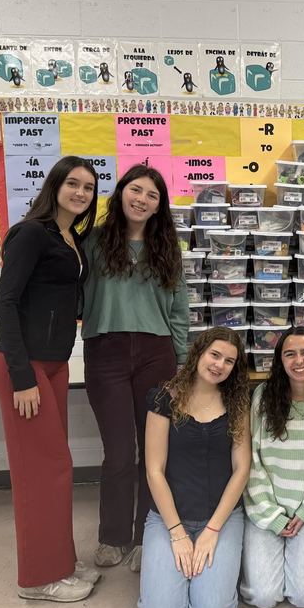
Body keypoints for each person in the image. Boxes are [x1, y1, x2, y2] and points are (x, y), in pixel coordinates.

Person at [0, 155, 100, 602]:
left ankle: (63, 564)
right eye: (72, 183)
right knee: (42, 473)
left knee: (57, 468)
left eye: (89, 188)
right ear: (54, 185)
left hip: (54, 364)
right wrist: (22, 378)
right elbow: (5, 305)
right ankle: (39, 578)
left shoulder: (71, 237)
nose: (80, 193)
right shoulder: (31, 233)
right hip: (25, 368)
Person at [82, 164, 189, 572]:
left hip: (155, 352)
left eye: (152, 195)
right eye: (136, 190)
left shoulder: (166, 249)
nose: (142, 199)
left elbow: (179, 310)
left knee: (153, 451)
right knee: (119, 452)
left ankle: (149, 535)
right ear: (121, 191)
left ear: (159, 206)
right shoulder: (92, 242)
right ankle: (112, 536)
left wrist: (180, 360)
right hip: (104, 351)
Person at [138, 327, 252, 608]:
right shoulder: (163, 398)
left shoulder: (238, 401)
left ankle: (203, 576)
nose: (219, 365)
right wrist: (176, 533)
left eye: (229, 361)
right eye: (214, 355)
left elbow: (242, 468)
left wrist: (213, 530)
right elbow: (154, 470)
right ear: (198, 353)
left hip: (221, 518)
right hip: (169, 519)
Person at [240, 327, 304, 608]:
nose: (299, 361)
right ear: (280, 360)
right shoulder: (262, 396)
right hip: (265, 505)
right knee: (263, 597)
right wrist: (270, 514)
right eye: (290, 354)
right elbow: (253, 459)